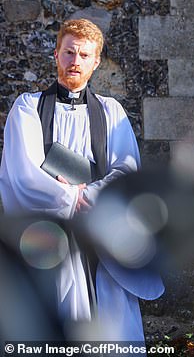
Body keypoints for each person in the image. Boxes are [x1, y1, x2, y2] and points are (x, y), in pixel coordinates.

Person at [0, 19, 164, 341]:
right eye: (69, 52)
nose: (75, 62)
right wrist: (70, 199)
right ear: (56, 54)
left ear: (96, 61)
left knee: (114, 326)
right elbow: (22, 174)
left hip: (102, 235)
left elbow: (126, 170)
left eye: (84, 55)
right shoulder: (28, 109)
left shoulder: (111, 112)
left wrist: (89, 194)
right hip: (51, 238)